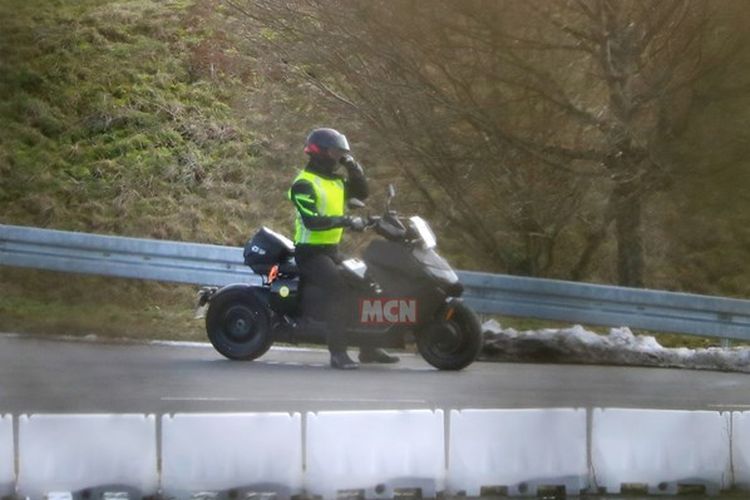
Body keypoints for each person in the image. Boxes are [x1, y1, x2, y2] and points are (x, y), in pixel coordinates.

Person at [288, 128, 399, 369]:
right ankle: (337, 353)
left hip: (330, 251)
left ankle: (369, 348)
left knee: (367, 281)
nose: (339, 156)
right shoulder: (303, 184)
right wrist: (347, 221)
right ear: (320, 152)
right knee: (338, 289)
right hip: (310, 253)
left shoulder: (336, 181)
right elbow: (312, 221)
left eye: (342, 153)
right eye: (336, 152)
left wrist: (353, 166)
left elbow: (362, 192)